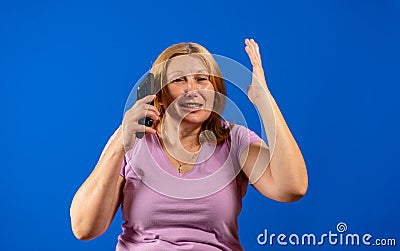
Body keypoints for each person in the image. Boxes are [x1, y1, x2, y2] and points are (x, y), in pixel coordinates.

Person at [70, 38, 308, 250]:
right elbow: (84, 228)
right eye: (179, 80)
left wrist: (263, 100)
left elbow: (292, 188)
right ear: (160, 96)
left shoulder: (235, 141)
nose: (192, 90)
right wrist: (119, 145)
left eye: (202, 79)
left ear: (215, 91)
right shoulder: (131, 141)